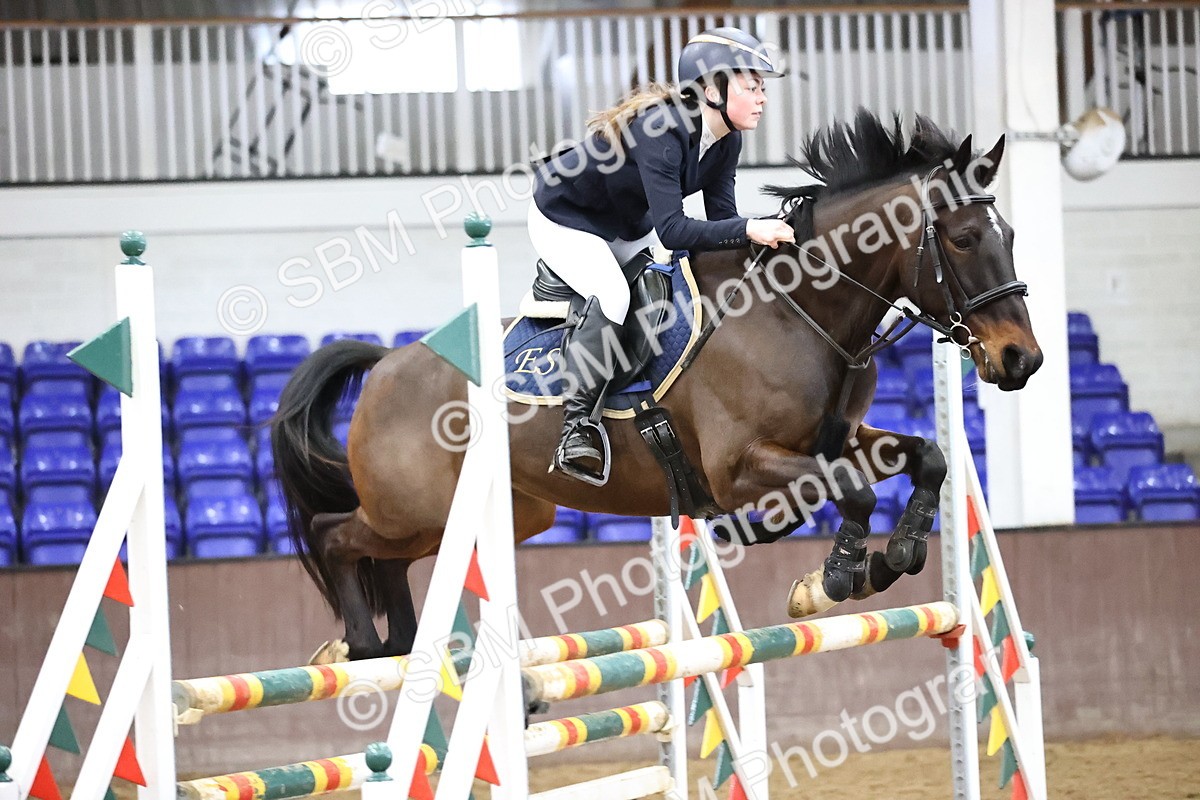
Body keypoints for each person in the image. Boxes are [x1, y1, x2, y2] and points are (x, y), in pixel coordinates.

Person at [529, 27, 796, 484]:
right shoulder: (662, 130)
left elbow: (719, 222)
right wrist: (752, 228)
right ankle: (576, 428)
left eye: (762, 88)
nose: (761, 98)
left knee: (666, 290)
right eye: (752, 86)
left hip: (626, 226)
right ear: (712, 89)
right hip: (565, 217)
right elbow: (675, 232)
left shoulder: (726, 140)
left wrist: (759, 253)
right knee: (613, 295)